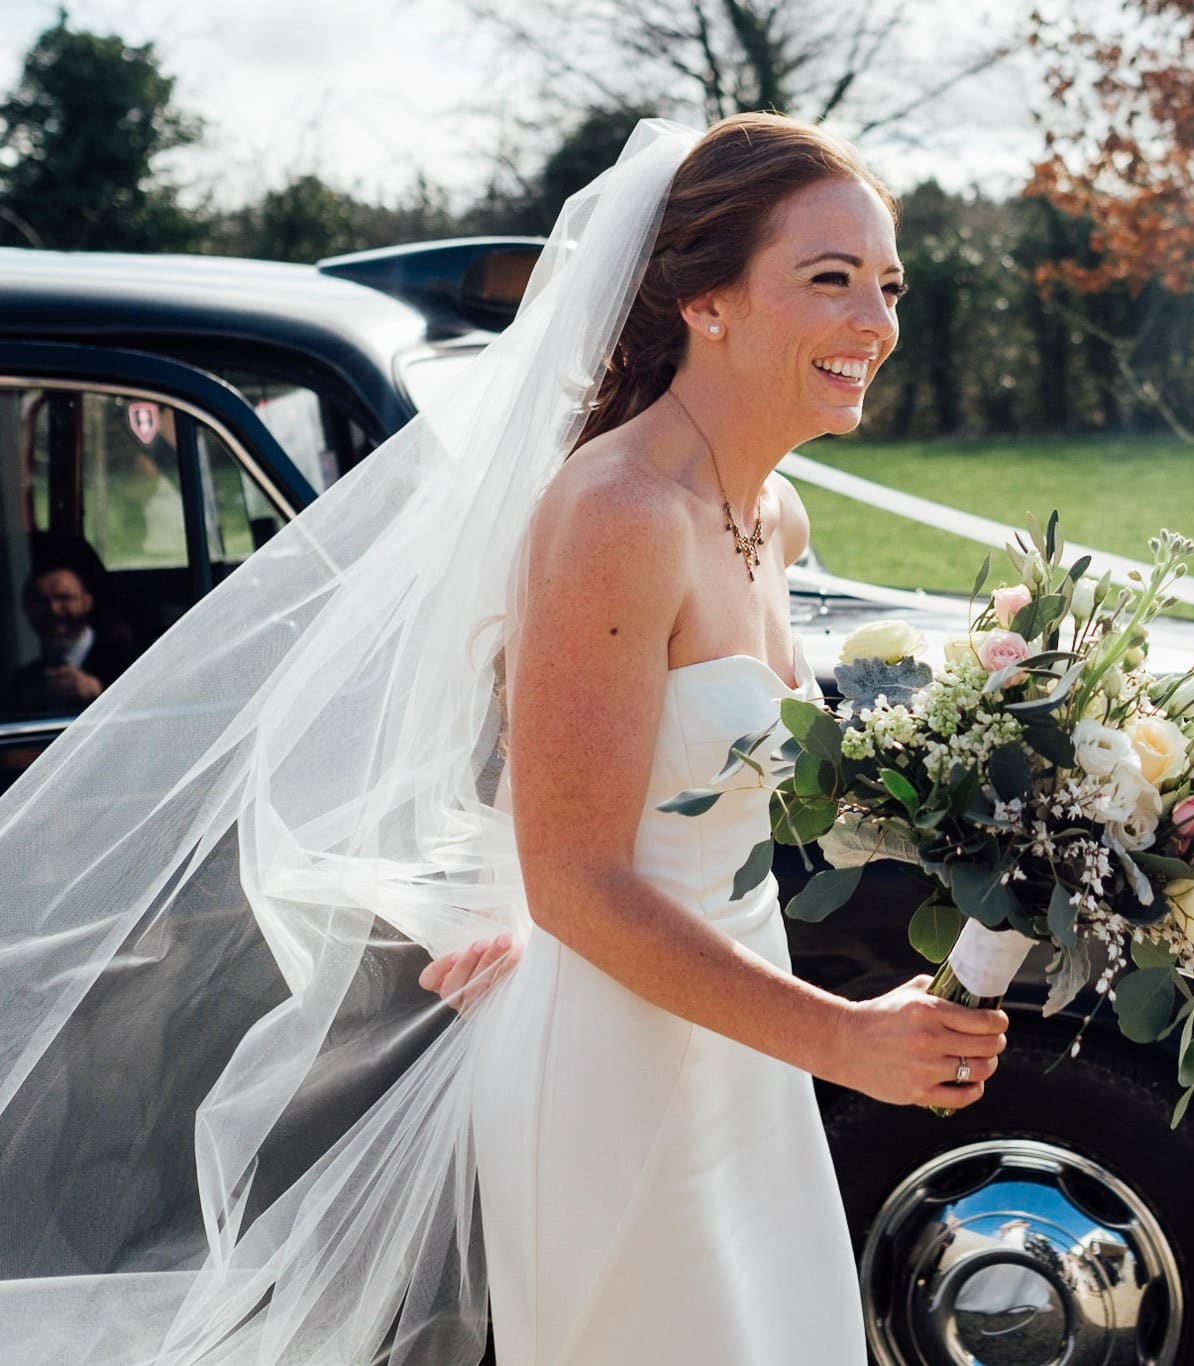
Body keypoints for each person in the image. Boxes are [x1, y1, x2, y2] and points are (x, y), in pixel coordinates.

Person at [0, 115, 1003, 1366]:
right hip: (619, 1075)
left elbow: (704, 790)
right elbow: (577, 878)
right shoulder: (614, 513)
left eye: (887, 284)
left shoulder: (771, 515)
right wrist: (843, 1038)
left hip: (738, 1062)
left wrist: (1011, 793)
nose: (875, 321)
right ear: (704, 301)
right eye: (829, 279)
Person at [1, 535, 139, 716]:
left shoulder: (130, 661)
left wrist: (98, 692)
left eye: (64, 598)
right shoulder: (23, 682)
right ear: (26, 608)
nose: (53, 609)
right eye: (41, 601)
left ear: (87, 602)